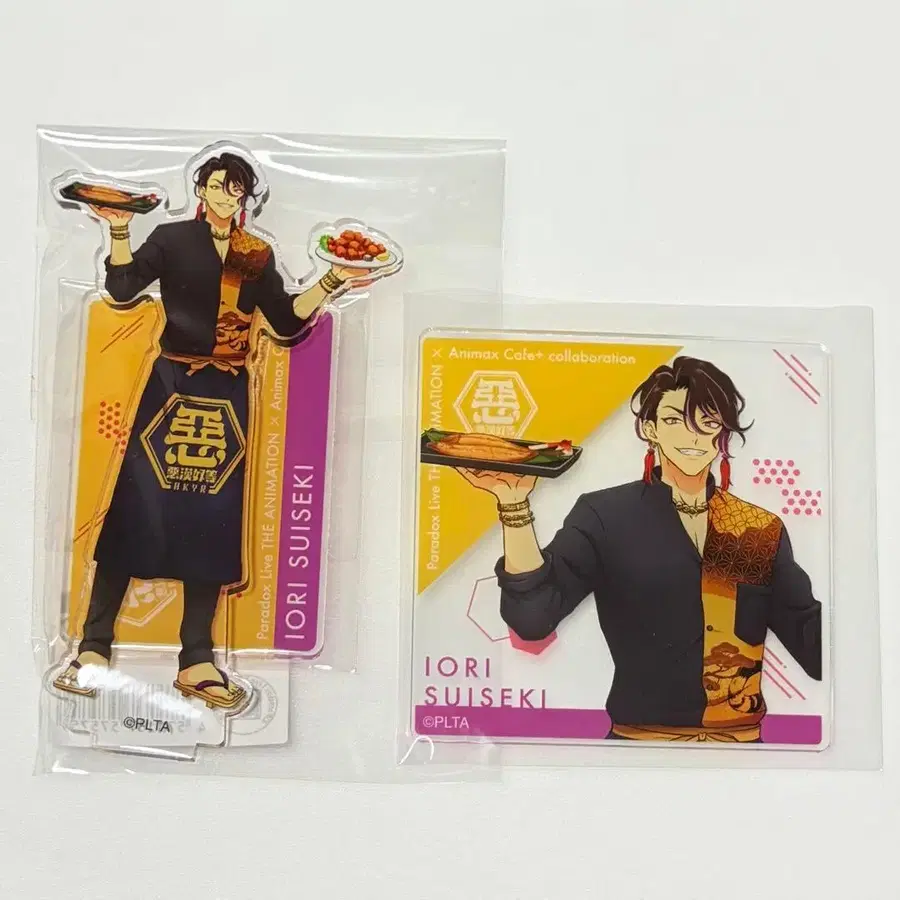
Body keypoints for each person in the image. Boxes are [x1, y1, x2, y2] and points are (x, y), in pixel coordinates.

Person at [54, 151, 381, 709]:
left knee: (212, 518)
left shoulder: (257, 253)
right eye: (219, 185)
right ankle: (94, 648)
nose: (227, 196)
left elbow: (285, 319)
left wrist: (333, 279)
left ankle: (197, 658)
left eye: (237, 189)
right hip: (170, 385)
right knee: (134, 506)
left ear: (246, 197)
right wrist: (119, 228)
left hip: (226, 393)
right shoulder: (173, 238)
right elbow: (123, 288)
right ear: (201, 188)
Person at [459, 356, 822, 743]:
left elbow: (815, 645)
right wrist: (514, 505)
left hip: (744, 750)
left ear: (723, 432)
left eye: (707, 422)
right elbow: (533, 618)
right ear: (650, 429)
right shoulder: (605, 515)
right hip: (636, 748)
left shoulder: (758, 528)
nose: (692, 436)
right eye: (674, 420)